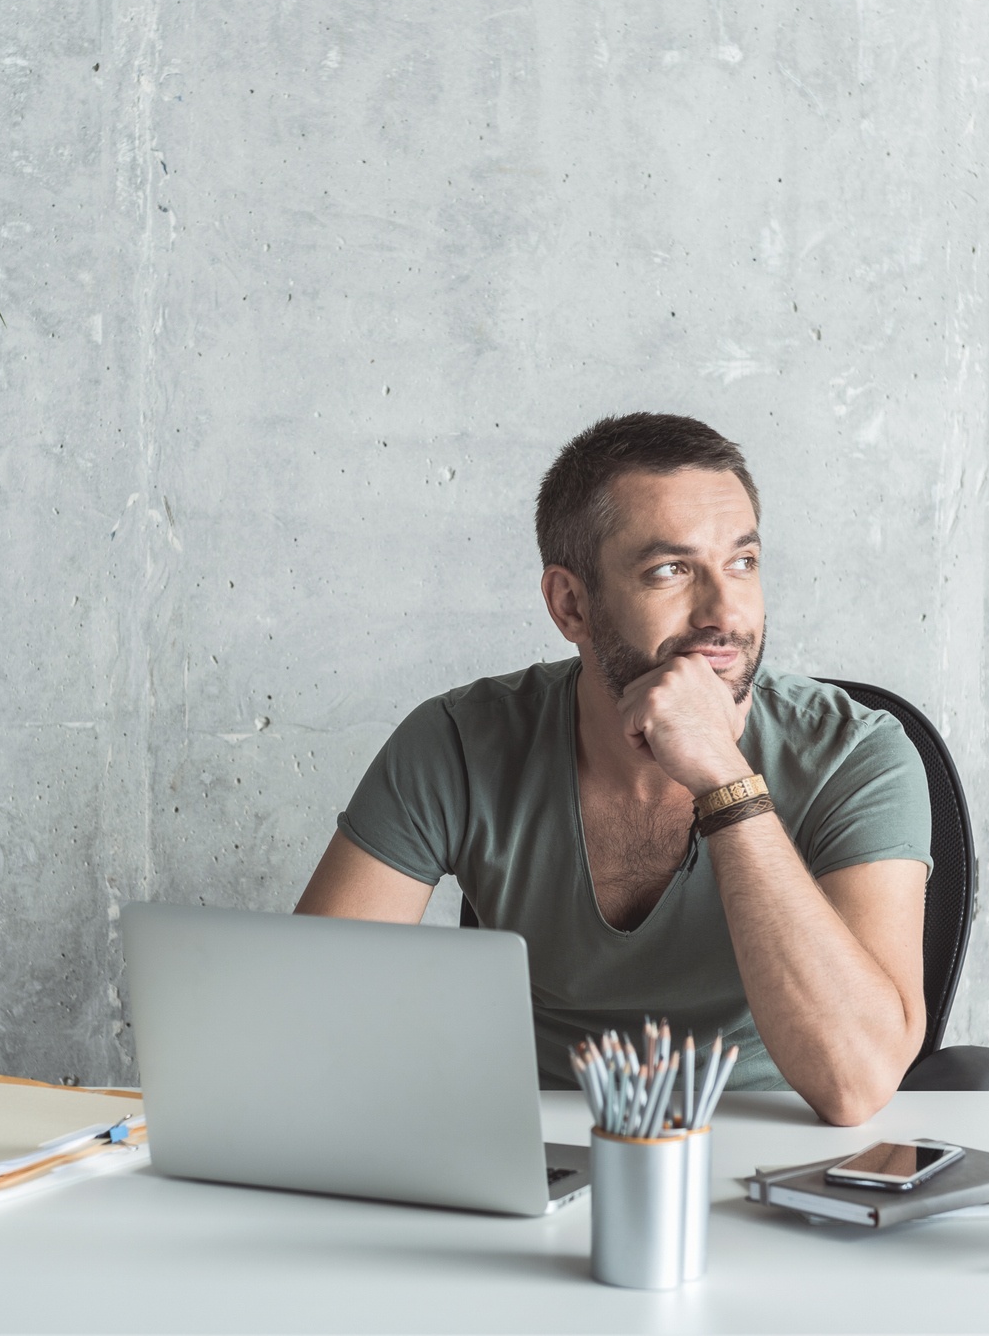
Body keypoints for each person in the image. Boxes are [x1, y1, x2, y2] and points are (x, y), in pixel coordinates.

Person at [294, 412, 933, 1126]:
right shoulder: (457, 743)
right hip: (529, 1153)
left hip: (773, 1149)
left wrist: (725, 780)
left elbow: (855, 1083)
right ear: (571, 604)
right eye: (670, 571)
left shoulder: (857, 754)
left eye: (742, 562)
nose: (724, 611)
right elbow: (313, 1024)